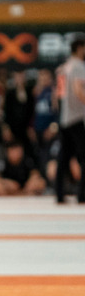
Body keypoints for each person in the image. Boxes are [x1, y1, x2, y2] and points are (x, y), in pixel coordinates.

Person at [55, 35, 85, 204]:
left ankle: (59, 194)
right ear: (80, 48)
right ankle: (83, 195)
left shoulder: (63, 68)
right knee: (84, 157)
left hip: (65, 118)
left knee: (64, 158)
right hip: (77, 117)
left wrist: (61, 113)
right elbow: (79, 90)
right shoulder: (78, 66)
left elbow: (58, 95)